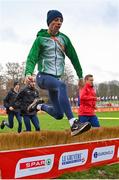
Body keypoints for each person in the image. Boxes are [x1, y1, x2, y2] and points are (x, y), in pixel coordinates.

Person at [25, 10, 91, 136]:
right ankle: (73, 124)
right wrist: (28, 72)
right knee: (62, 85)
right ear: (49, 22)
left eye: (60, 20)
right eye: (56, 20)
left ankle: (38, 106)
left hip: (54, 80)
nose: (59, 23)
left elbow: (74, 57)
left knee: (59, 114)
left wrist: (80, 75)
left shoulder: (64, 39)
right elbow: (31, 58)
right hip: (42, 77)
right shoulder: (40, 39)